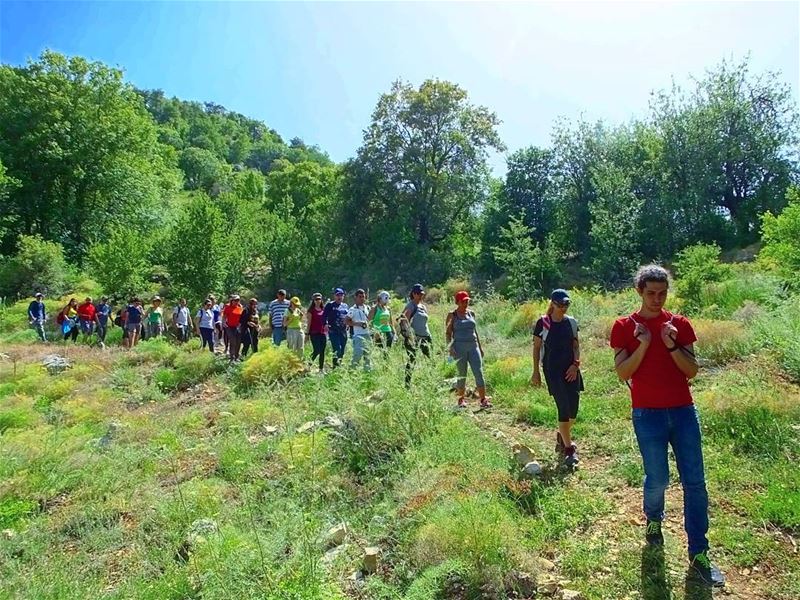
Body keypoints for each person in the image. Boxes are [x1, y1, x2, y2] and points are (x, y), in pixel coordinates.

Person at [610, 265, 724, 588]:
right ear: (639, 292)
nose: (657, 299)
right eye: (651, 294)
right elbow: (622, 373)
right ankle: (653, 519)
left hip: (683, 412)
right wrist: (644, 344)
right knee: (658, 477)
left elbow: (692, 371)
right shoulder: (623, 327)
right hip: (647, 414)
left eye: (662, 293)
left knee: (695, 482)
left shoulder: (680, 325)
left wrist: (672, 344)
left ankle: (699, 553)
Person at [531, 289, 583, 468]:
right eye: (560, 304)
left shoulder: (571, 323)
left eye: (566, 304)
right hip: (552, 371)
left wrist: (575, 365)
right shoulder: (543, 323)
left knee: (573, 411)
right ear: (552, 303)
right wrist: (535, 372)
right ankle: (569, 450)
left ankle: (562, 436)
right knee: (563, 406)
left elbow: (576, 346)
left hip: (571, 370)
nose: (563, 308)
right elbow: (537, 349)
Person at [445, 290, 491, 409]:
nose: (466, 303)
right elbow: (448, 333)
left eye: (467, 301)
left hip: (473, 346)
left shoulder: (471, 313)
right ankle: (461, 400)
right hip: (459, 348)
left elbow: (475, 331)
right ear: (458, 302)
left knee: (479, 372)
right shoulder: (452, 315)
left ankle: (483, 400)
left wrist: (480, 348)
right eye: (464, 301)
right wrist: (450, 348)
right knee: (462, 374)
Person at [402, 284, 432, 387]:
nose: (421, 296)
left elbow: (425, 322)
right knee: (412, 360)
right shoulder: (410, 306)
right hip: (415, 338)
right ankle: (407, 384)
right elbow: (404, 322)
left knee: (430, 359)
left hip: (426, 336)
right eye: (419, 294)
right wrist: (409, 337)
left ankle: (431, 381)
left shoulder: (423, 306)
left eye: (422, 294)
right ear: (414, 294)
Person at [323, 288, 349, 368]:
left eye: (341, 295)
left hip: (343, 331)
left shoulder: (345, 306)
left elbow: (348, 317)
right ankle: (335, 366)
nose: (339, 297)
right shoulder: (330, 305)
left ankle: (339, 365)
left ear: (343, 296)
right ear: (334, 296)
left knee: (342, 351)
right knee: (337, 349)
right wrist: (325, 324)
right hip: (333, 331)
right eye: (337, 295)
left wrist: (348, 324)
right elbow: (324, 316)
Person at [347, 289, 372, 371]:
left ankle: (367, 372)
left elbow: (370, 319)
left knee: (368, 355)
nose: (362, 299)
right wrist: (358, 324)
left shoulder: (367, 307)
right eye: (360, 297)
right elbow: (346, 321)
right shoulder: (352, 309)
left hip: (367, 334)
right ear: (356, 297)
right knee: (357, 354)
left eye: (363, 297)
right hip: (358, 335)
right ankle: (352, 371)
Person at [306, 293, 328, 373]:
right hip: (314, 333)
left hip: (322, 333)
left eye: (319, 299)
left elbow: (325, 321)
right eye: (316, 299)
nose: (318, 301)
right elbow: (309, 323)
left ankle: (321, 369)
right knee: (317, 350)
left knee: (322, 351)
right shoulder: (311, 311)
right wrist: (307, 334)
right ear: (313, 301)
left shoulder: (323, 310)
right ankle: (308, 365)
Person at [222, 295, 244, 361]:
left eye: (238, 300)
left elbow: (241, 318)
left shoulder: (240, 308)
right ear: (232, 301)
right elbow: (224, 316)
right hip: (229, 326)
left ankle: (236, 356)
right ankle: (232, 357)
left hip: (237, 327)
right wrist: (223, 323)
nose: (236, 302)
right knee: (233, 341)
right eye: (235, 300)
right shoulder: (228, 307)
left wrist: (240, 325)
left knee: (238, 341)